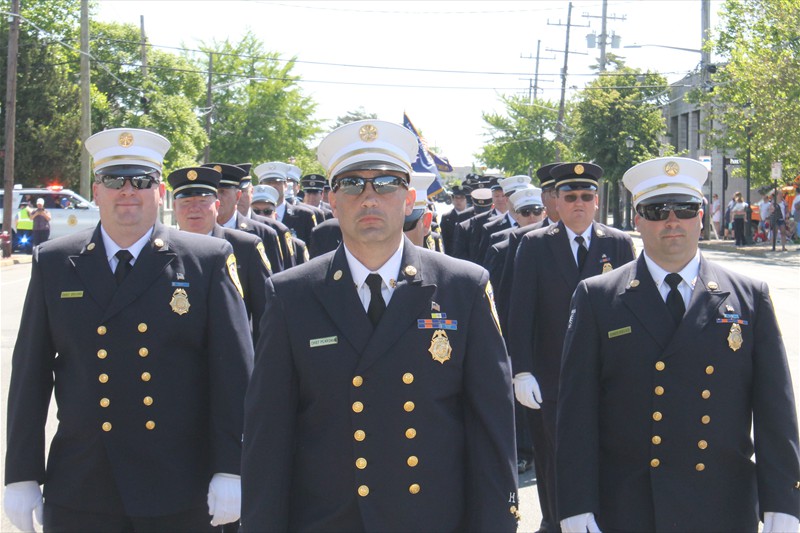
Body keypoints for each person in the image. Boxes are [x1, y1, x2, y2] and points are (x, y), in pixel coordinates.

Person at [241, 119, 519, 532]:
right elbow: (269, 436)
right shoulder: (292, 294)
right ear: (332, 202)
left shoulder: (463, 286)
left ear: (409, 199)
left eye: (386, 183)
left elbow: (491, 429)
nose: (369, 197)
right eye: (352, 184)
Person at [4, 128, 254, 532]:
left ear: (159, 192)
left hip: (179, 481)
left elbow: (233, 373)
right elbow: (31, 375)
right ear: (96, 190)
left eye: (141, 181)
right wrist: (21, 472)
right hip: (83, 482)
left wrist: (232, 467)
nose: (128, 191)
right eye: (113, 180)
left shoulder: (205, 260)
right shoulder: (55, 261)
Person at [557, 156, 800, 532]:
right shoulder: (598, 297)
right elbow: (577, 411)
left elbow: (775, 410)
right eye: (656, 210)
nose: (672, 221)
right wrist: (575, 503)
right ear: (636, 220)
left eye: (684, 209)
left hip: (721, 502)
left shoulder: (749, 296)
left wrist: (784, 501)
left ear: (701, 216)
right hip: (630, 504)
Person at [507, 162, 636, 532]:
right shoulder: (533, 244)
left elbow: (632, 307)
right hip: (551, 373)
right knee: (552, 456)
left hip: (606, 373)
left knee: (606, 450)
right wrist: (522, 370)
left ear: (596, 201)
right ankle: (554, 521)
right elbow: (520, 312)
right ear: (556, 202)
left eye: (586, 196)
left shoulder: (618, 243)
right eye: (570, 196)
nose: (579, 203)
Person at [168, 165, 272, 344]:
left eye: (202, 201)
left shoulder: (246, 247)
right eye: (186, 202)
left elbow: (266, 314)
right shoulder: (162, 251)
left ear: (216, 205)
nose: (194, 209)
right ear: (175, 207)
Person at [255, 162, 318, 244]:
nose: (273, 186)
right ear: (260, 185)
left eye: (277, 182)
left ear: (285, 185)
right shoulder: (252, 215)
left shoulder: (304, 216)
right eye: (269, 183)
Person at [439, 185, 472, 256]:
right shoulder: (446, 217)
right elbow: (444, 240)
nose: (458, 201)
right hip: (450, 256)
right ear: (452, 199)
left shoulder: (471, 217)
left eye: (462, 198)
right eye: (456, 198)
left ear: (467, 200)